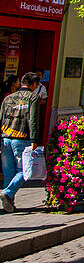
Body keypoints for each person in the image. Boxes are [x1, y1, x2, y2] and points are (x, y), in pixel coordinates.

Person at [0, 73, 41, 212]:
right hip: (21, 137)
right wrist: (34, 139)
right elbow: (33, 119)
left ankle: (9, 203)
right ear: (34, 84)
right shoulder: (33, 98)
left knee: (9, 171)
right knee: (25, 170)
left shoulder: (8, 98)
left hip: (5, 137)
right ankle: (8, 193)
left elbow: (1, 117)